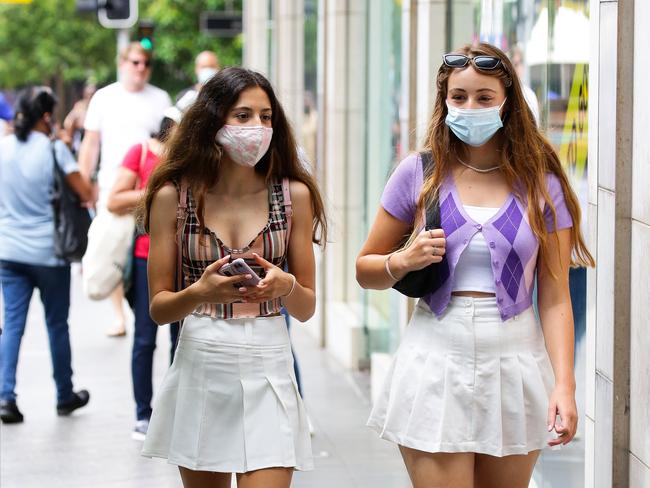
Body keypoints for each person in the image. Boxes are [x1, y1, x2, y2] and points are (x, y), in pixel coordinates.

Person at [356, 43, 594, 488]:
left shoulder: (543, 184)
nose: (470, 107)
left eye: (484, 98)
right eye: (458, 97)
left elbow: (557, 295)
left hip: (516, 358)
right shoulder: (417, 173)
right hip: (435, 356)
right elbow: (365, 268)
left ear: (508, 103)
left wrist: (565, 385)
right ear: (443, 101)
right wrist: (402, 260)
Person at [139, 67, 327, 488]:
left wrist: (287, 287)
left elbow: (308, 305)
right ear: (212, 119)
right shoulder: (174, 197)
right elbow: (158, 308)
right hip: (202, 362)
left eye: (266, 116)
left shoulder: (293, 195)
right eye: (242, 116)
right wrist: (200, 291)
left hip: (270, 363)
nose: (257, 128)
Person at [0, 86, 93, 423]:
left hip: (8, 250)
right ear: (46, 116)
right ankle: (64, 395)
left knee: (12, 324)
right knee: (57, 324)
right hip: (49, 253)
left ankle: (5, 396)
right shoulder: (55, 150)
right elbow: (84, 191)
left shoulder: (4, 148)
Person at [78, 42, 171, 338]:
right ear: (122, 63)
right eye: (135, 62)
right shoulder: (104, 98)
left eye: (145, 63)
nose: (140, 68)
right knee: (115, 250)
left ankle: (144, 305)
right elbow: (91, 143)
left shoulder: (160, 98)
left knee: (147, 252)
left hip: (151, 188)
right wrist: (84, 183)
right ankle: (120, 315)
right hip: (114, 186)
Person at [106, 114, 180, 440]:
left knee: (183, 340)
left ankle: (178, 409)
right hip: (145, 256)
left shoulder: (191, 159)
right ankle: (143, 414)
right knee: (145, 338)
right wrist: (158, 193)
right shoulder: (140, 153)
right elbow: (113, 200)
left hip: (186, 260)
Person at [63, 82, 97, 155]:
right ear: (85, 94)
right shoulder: (80, 106)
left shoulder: (99, 106)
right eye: (89, 94)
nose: (90, 97)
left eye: (92, 94)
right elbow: (68, 122)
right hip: (80, 141)